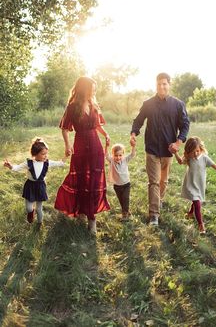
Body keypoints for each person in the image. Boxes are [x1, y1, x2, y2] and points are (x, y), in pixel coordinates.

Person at [130, 72, 190, 226]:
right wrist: (133, 133)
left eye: (164, 84)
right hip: (151, 148)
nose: (161, 86)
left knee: (163, 181)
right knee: (154, 182)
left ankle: (159, 200)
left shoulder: (178, 105)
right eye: (159, 84)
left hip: (169, 150)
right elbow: (138, 121)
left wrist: (178, 142)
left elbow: (185, 125)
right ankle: (154, 215)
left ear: (169, 85)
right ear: (155, 85)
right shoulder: (148, 103)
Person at [54, 76, 110, 234]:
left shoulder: (93, 104)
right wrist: (67, 144)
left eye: (94, 88)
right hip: (80, 145)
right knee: (80, 179)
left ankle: (92, 218)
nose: (94, 91)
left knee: (94, 180)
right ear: (84, 88)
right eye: (91, 88)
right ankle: (81, 210)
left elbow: (97, 124)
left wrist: (105, 134)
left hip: (95, 146)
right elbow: (64, 128)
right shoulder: (72, 107)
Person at [175, 136, 216, 234]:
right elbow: (180, 162)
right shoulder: (189, 157)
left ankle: (190, 213)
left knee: (197, 201)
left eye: (197, 151)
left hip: (200, 185)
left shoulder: (204, 158)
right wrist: (175, 153)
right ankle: (201, 225)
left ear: (200, 148)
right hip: (190, 184)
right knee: (197, 204)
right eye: (193, 152)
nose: (195, 154)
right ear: (189, 151)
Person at [3, 137, 65, 227]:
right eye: (43, 154)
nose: (45, 156)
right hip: (30, 186)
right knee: (29, 207)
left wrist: (66, 156)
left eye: (46, 154)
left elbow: (59, 163)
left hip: (40, 186)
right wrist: (10, 166)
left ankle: (39, 223)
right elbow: (17, 168)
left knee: (39, 208)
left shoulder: (47, 162)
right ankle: (30, 213)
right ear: (35, 154)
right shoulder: (28, 163)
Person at [105, 142, 136, 221]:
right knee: (121, 200)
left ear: (123, 155)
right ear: (113, 155)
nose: (118, 157)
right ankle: (126, 212)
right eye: (116, 155)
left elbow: (132, 154)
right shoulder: (111, 160)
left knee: (125, 198)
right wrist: (106, 146)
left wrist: (133, 146)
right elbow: (106, 155)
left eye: (120, 155)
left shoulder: (125, 159)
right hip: (117, 185)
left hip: (126, 184)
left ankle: (125, 215)